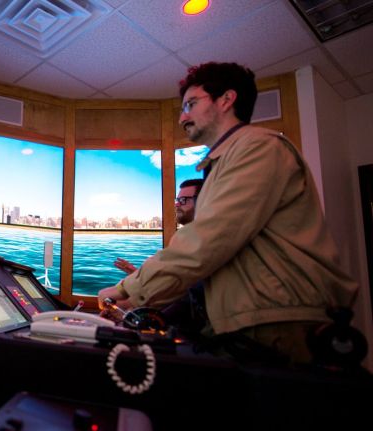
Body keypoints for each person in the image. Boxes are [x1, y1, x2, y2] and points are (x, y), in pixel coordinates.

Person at [98, 62, 358, 364]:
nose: (183, 116)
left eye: (191, 104)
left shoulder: (258, 148)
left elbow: (208, 240)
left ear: (226, 99)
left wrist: (124, 289)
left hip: (274, 325)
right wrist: (141, 295)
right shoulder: (225, 161)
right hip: (249, 322)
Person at [114, 178, 204, 275]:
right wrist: (135, 273)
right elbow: (172, 283)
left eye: (183, 200)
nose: (176, 204)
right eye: (177, 200)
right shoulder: (189, 239)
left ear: (203, 200)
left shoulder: (205, 243)